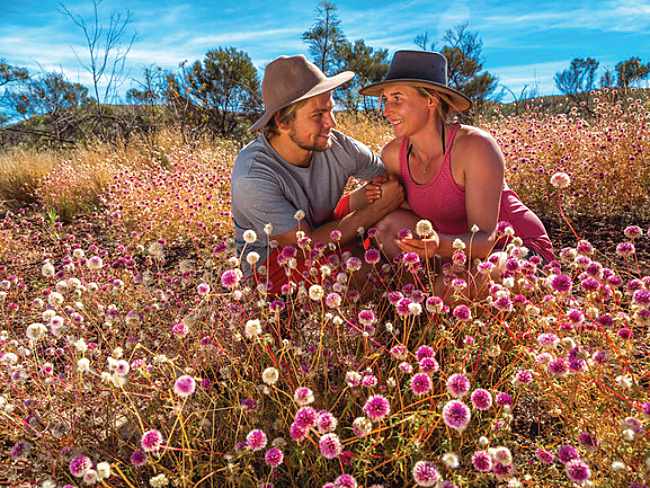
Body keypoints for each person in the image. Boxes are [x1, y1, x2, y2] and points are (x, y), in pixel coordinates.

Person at [359, 50, 554, 290]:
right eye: (385, 100)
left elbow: (485, 240)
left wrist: (439, 245)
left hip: (511, 249)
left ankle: (439, 297)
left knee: (454, 287)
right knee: (388, 227)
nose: (386, 111)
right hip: (451, 246)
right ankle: (420, 299)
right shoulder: (393, 154)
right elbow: (415, 206)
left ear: (430, 100)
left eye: (397, 98)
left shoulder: (474, 146)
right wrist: (382, 195)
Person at [231, 55, 404, 294]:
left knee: (379, 248)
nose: (331, 122)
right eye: (317, 115)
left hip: (321, 228)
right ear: (282, 121)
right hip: (275, 264)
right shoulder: (252, 176)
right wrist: (377, 208)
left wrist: (376, 192)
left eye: (331, 110)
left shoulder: (338, 146)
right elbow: (305, 244)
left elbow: (387, 178)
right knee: (358, 273)